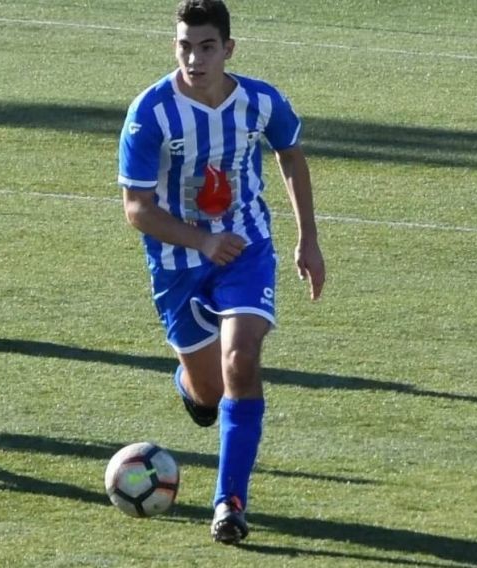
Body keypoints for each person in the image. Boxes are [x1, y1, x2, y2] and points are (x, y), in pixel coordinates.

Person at [118, 0, 325, 544]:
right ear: (175, 47)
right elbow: (136, 208)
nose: (194, 58)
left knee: (242, 357)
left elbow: (291, 153)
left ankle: (229, 502)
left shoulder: (260, 99)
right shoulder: (150, 113)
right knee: (210, 392)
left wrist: (308, 238)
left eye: (206, 46)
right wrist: (203, 240)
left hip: (247, 246)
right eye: (185, 46)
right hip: (177, 260)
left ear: (228, 49)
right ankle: (192, 388)